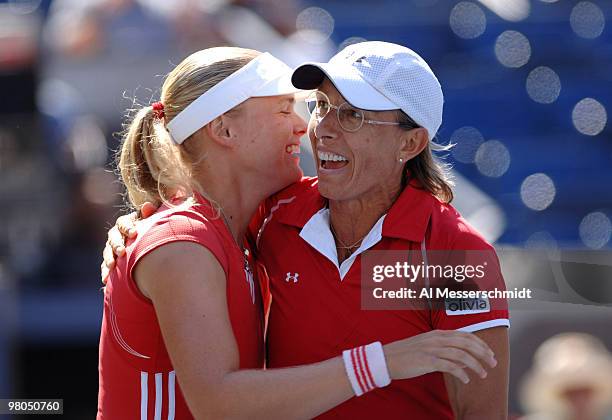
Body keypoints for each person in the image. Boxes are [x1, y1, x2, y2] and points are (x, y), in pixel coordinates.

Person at [98, 45, 498, 419]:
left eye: (353, 114)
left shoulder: (456, 252)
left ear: (411, 142)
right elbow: (219, 402)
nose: (314, 127)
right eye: (319, 105)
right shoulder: (226, 229)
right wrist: (385, 361)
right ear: (224, 130)